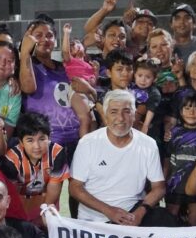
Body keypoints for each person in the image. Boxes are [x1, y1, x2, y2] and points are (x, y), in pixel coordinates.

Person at [69, 89, 166, 225]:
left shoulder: (148, 144)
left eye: (126, 111)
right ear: (106, 115)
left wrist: (140, 212)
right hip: (94, 221)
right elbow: (75, 188)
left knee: (167, 220)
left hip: (132, 214)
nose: (120, 118)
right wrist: (108, 210)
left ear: (134, 114)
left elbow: (159, 187)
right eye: (114, 112)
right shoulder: (88, 143)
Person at [18, 19, 85, 163]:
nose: (45, 39)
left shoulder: (64, 67)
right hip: (47, 145)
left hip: (76, 140)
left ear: (55, 40)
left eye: (49, 35)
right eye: (38, 35)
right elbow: (28, 87)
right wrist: (25, 53)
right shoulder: (27, 64)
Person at [1, 112, 70, 225]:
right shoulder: (11, 159)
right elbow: (11, 193)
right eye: (30, 140)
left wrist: (45, 212)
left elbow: (54, 186)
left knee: (48, 225)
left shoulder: (57, 153)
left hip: (47, 199)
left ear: (49, 137)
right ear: (21, 142)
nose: (37, 146)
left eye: (42, 139)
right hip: (20, 201)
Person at [165, 92, 196, 226]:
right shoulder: (173, 133)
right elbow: (167, 158)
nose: (191, 112)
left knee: (194, 217)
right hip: (175, 183)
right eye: (187, 108)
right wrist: (164, 179)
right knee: (170, 216)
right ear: (181, 112)